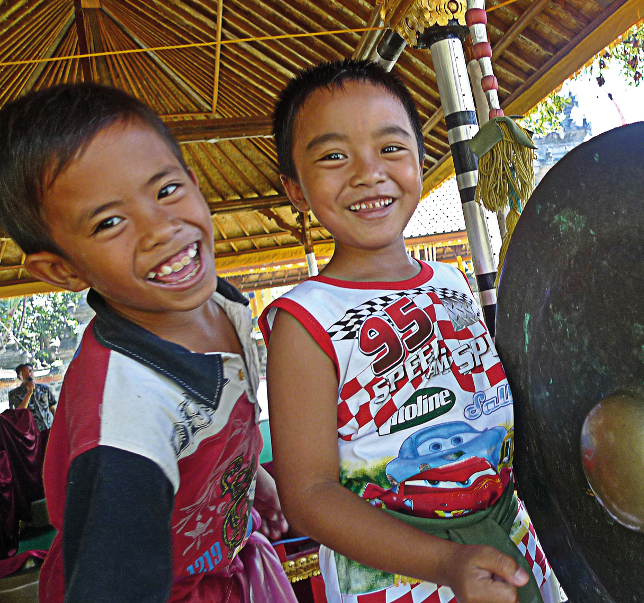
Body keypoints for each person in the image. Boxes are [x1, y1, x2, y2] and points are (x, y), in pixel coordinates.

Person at [261, 59, 560, 603]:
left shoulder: (449, 281)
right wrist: (447, 562)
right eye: (333, 156)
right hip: (401, 576)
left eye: (390, 148)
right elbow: (307, 494)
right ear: (296, 189)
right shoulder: (305, 321)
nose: (367, 173)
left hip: (506, 541)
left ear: (421, 163)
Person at [0, 83, 297, 603]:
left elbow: (221, 426)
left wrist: (248, 483)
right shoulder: (124, 417)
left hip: (224, 566)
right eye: (110, 222)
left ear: (194, 182)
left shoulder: (223, 305)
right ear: (61, 269)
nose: (161, 227)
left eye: (165, 190)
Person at [8, 363, 57, 431]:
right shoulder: (14, 394)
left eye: (30, 371)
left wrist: (58, 423)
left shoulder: (44, 389)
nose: (28, 374)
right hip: (32, 433)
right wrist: (29, 393)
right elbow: (18, 413)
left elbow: (52, 408)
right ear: (19, 377)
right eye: (24, 372)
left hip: (50, 428)